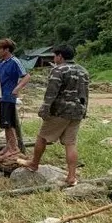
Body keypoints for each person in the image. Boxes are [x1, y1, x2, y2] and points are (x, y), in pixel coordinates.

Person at [18, 45, 89, 186]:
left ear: (60, 56)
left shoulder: (58, 70)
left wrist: (44, 110)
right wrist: (84, 111)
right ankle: (71, 176)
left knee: (42, 137)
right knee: (70, 143)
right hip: (77, 112)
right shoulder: (83, 70)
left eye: (55, 56)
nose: (54, 59)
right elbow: (85, 93)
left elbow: (51, 93)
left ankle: (34, 164)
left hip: (60, 111)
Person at [0, 38, 31, 158]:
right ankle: (8, 145)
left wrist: (16, 89)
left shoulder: (15, 61)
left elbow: (26, 76)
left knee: (8, 124)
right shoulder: (1, 63)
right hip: (1, 96)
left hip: (8, 96)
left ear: (6, 49)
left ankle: (13, 147)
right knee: (5, 123)